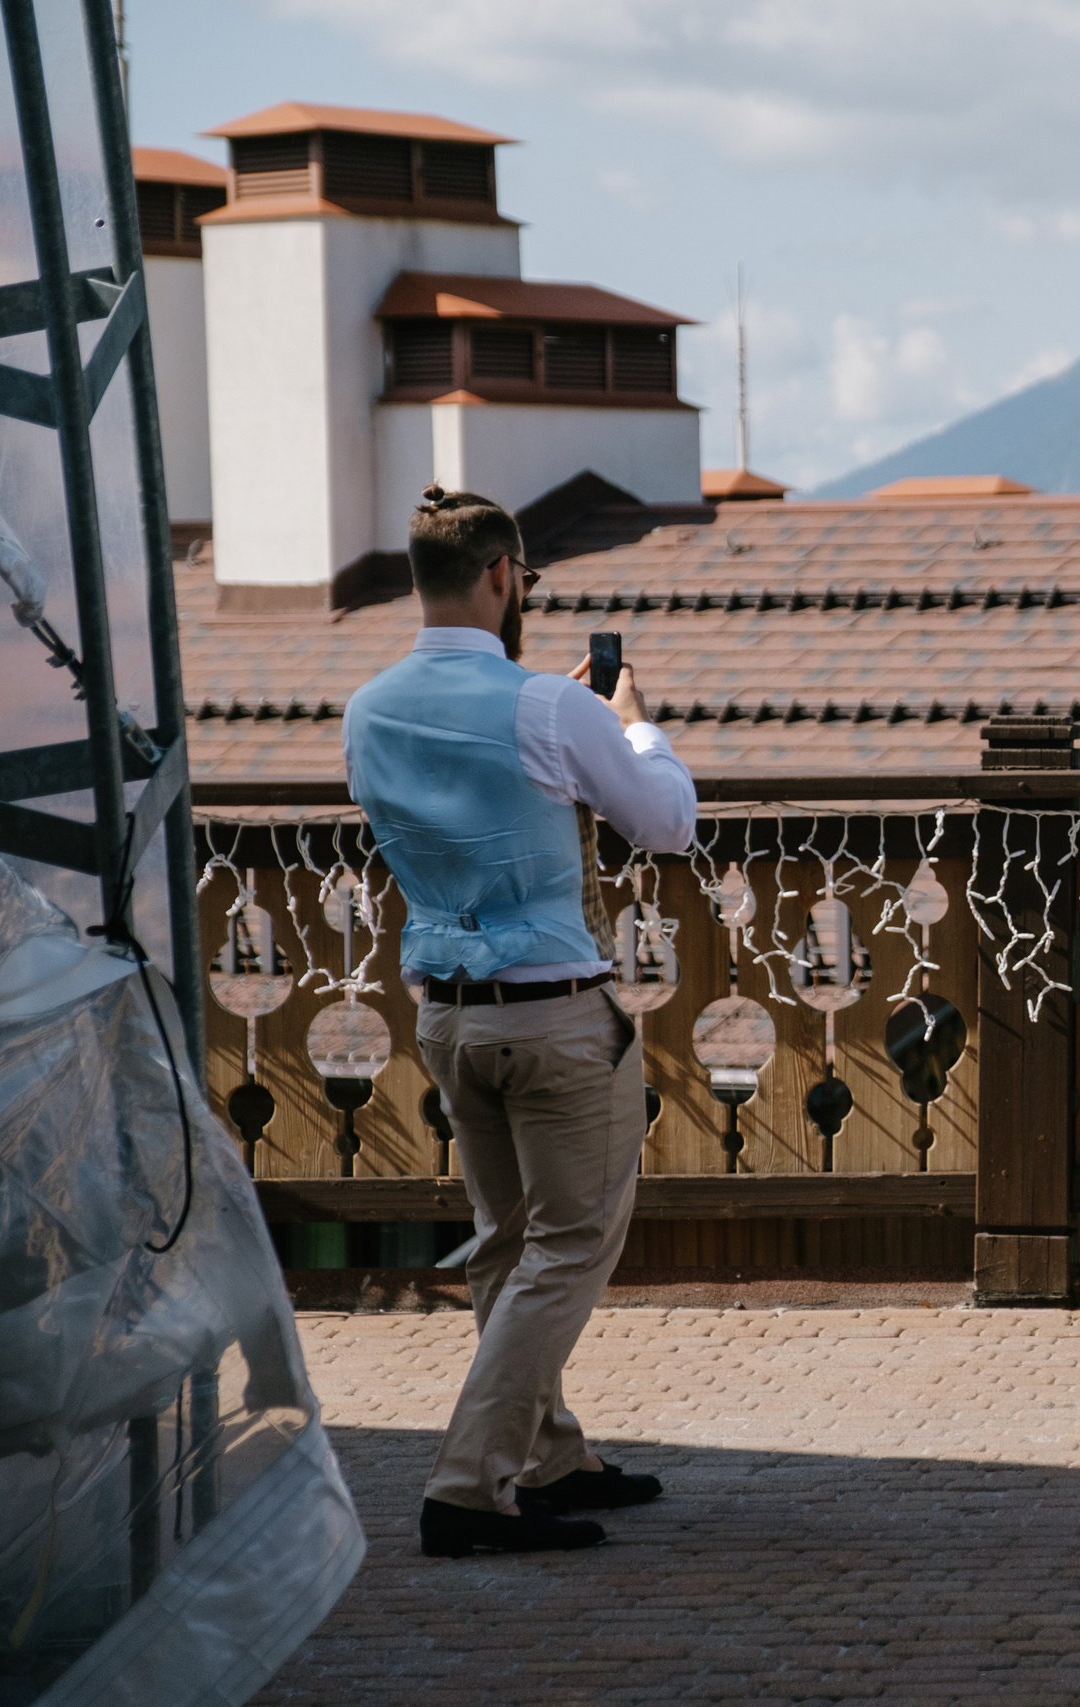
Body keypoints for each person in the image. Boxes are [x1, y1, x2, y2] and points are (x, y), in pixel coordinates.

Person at [345, 486, 696, 1556]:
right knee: (570, 1246)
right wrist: (634, 728)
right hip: (552, 1015)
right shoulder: (552, 707)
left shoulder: (369, 708)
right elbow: (666, 825)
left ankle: (544, 1460)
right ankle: (466, 1483)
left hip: (448, 1016)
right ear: (502, 575)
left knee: (507, 1241)